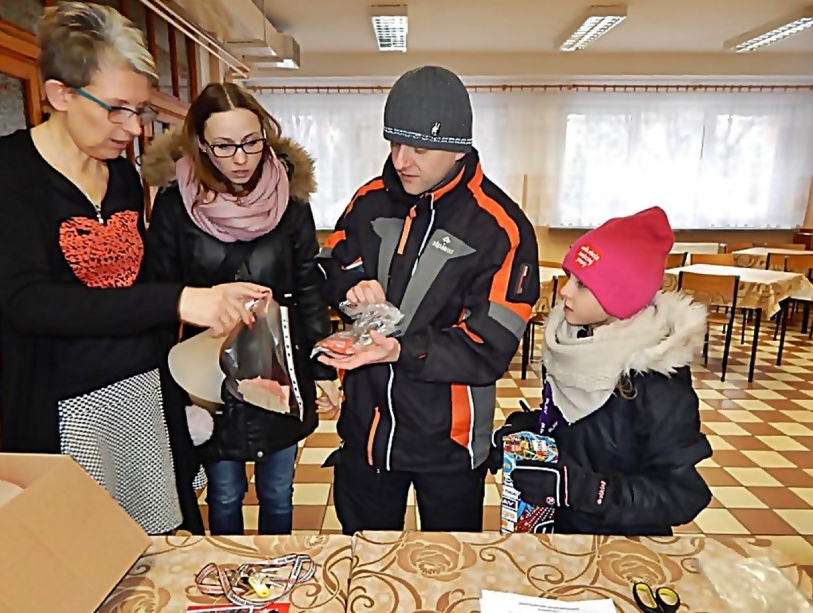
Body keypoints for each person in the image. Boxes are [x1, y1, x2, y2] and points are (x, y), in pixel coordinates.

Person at [0, 3, 264, 535]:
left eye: (139, 111)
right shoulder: (5, 170)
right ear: (61, 94)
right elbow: (30, 302)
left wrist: (208, 296)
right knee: (81, 550)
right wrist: (178, 300)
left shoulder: (123, 177)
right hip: (68, 409)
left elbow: (144, 284)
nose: (132, 128)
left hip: (144, 396)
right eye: (116, 110)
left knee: (160, 544)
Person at [318, 66, 540, 534]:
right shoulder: (370, 199)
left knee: (450, 572)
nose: (402, 160)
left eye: (419, 148)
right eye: (395, 144)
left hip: (450, 445)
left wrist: (401, 348)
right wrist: (351, 284)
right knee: (366, 568)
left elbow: (490, 345)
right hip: (367, 435)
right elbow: (334, 256)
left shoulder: (501, 228)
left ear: (459, 148)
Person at [142, 82, 340, 535]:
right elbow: (159, 290)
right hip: (207, 373)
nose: (240, 158)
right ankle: (227, 584)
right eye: (225, 145)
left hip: (277, 369)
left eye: (252, 142)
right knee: (225, 491)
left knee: (276, 489)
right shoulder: (176, 204)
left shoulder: (289, 200)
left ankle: (280, 582)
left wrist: (323, 369)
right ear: (201, 144)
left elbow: (309, 285)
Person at [492, 206, 713, 536]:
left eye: (581, 284)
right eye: (569, 277)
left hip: (624, 546)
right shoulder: (576, 345)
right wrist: (536, 429)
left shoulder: (656, 381)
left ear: (620, 295)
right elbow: (587, 428)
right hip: (563, 538)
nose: (565, 291)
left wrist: (586, 491)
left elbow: (681, 496)